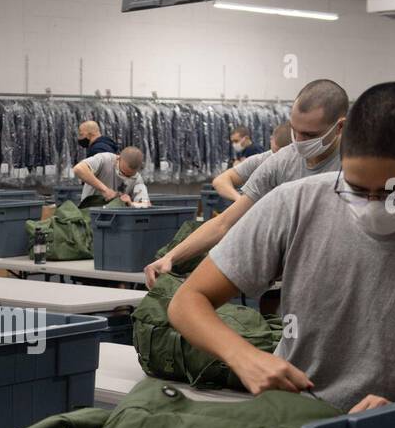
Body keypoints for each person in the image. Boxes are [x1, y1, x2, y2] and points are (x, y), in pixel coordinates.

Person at [168, 81, 395, 413]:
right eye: (358, 189)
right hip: (286, 423)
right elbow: (188, 301)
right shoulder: (293, 205)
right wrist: (243, 357)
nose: (374, 205)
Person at [147, 79, 349, 286]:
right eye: (294, 129)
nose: (298, 140)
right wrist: (171, 257)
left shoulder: (359, 166)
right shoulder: (280, 163)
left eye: (309, 135)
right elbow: (224, 223)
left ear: (340, 127)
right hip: (301, 281)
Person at [212, 122, 292, 204]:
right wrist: (240, 200)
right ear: (271, 139)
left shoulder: (255, 151)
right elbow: (220, 181)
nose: (234, 144)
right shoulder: (259, 159)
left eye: (236, 141)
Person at [73, 146, 150, 207]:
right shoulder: (104, 159)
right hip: (90, 212)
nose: (125, 177)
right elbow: (79, 169)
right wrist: (105, 190)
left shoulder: (137, 178)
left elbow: (146, 204)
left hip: (116, 218)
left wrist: (131, 204)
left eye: (129, 176)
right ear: (118, 158)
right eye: (123, 172)